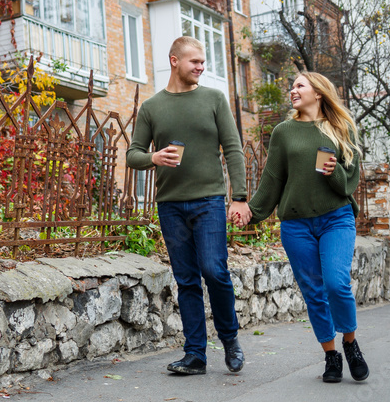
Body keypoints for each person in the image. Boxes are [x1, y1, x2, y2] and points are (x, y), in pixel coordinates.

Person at [127, 36, 251, 375]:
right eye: (195, 61)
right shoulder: (152, 107)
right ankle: (195, 354)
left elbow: (234, 149)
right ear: (174, 61)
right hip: (170, 205)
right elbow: (132, 154)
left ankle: (230, 339)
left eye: (202, 61)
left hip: (209, 201)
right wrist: (153, 156)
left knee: (214, 270)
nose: (201, 67)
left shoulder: (213, 99)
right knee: (186, 280)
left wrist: (238, 198)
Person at [239, 72, 369, 383]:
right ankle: (331, 355)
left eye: (300, 85)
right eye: (292, 86)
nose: (292, 90)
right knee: (314, 293)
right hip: (296, 225)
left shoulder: (341, 128)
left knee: (336, 284)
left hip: (336, 218)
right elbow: (272, 179)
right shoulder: (284, 132)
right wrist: (251, 212)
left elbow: (350, 179)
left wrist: (334, 171)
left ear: (319, 93)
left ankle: (350, 344)